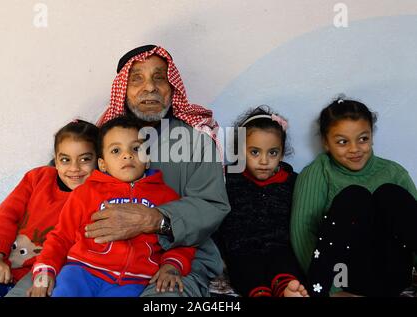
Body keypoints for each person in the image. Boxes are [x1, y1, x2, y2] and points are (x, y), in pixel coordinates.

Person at [86, 44, 231, 297]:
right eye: (137, 78)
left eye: (159, 77)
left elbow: (212, 205)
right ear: (123, 90)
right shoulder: (99, 139)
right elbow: (60, 189)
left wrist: (154, 219)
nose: (150, 87)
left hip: (178, 259)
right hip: (99, 259)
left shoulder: (196, 141)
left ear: (171, 87)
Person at [29, 116, 196, 297]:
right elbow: (60, 237)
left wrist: (172, 265)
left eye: (136, 148)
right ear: (103, 164)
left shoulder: (166, 196)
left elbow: (182, 236)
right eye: (116, 150)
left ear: (147, 159)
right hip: (81, 272)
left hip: (134, 281)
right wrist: (43, 274)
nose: (127, 155)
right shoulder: (86, 193)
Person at [291, 97, 417, 297]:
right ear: (326, 143)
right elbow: (302, 233)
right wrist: (333, 290)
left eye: (363, 139)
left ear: (371, 137)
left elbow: (413, 225)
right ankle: (322, 289)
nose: (354, 149)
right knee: (354, 197)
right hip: (346, 277)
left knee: (390, 194)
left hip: (392, 273)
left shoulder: (394, 172)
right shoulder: (319, 172)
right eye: (342, 142)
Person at [0, 120, 98, 297]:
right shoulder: (38, 178)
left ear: (100, 161)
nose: (74, 168)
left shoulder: (96, 199)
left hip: (25, 280)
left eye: (84, 159)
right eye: (65, 159)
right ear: (56, 161)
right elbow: (5, 215)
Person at [213, 106, 308, 297]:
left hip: (279, 247)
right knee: (244, 270)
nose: (264, 161)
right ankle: (259, 294)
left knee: (285, 261)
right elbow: (213, 216)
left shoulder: (292, 182)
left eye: (272, 153)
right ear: (241, 151)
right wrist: (219, 252)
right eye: (255, 152)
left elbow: (301, 220)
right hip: (241, 250)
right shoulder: (227, 179)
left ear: (281, 153)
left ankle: (287, 289)